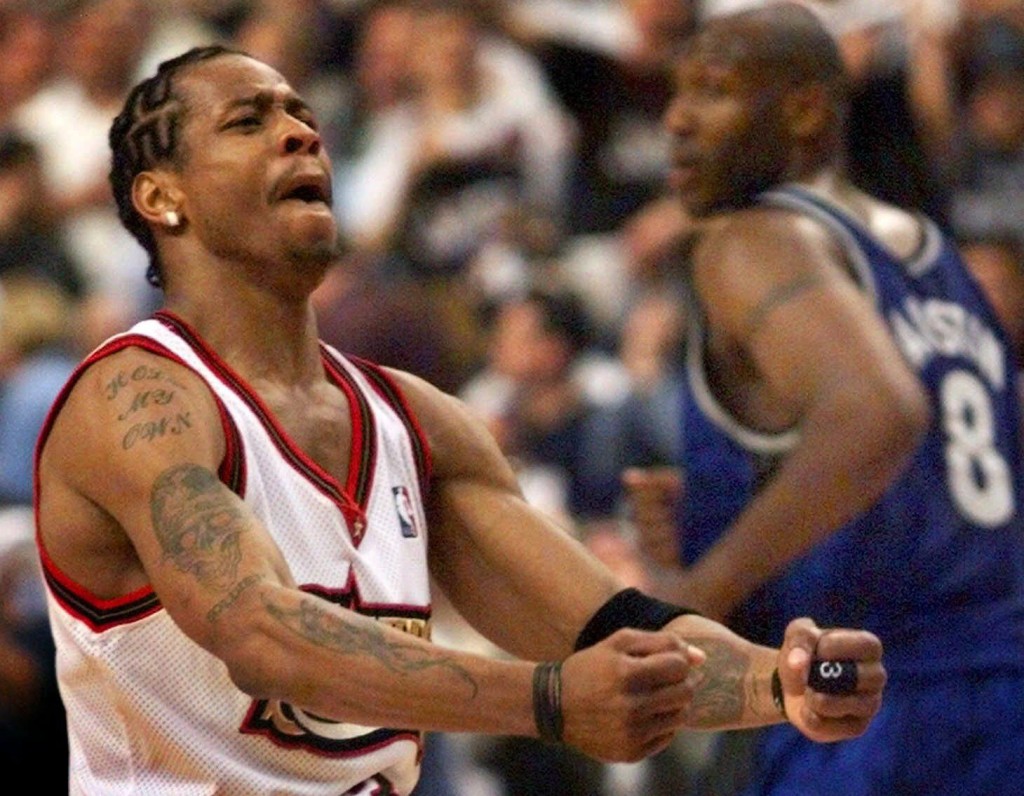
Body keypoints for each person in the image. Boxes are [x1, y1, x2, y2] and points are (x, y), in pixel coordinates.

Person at [33, 44, 885, 795]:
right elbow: (261, 635)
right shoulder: (136, 402)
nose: (298, 134)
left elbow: (612, 629)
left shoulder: (417, 422)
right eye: (248, 122)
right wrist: (548, 699)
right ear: (163, 196)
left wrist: (784, 683)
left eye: (302, 115)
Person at [625, 4, 1024, 794]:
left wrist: (694, 594)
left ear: (806, 109)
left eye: (711, 91)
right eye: (677, 92)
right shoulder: (934, 254)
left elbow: (879, 414)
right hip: (1001, 694)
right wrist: (724, 504)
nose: (676, 119)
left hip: (859, 701)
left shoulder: (753, 239)